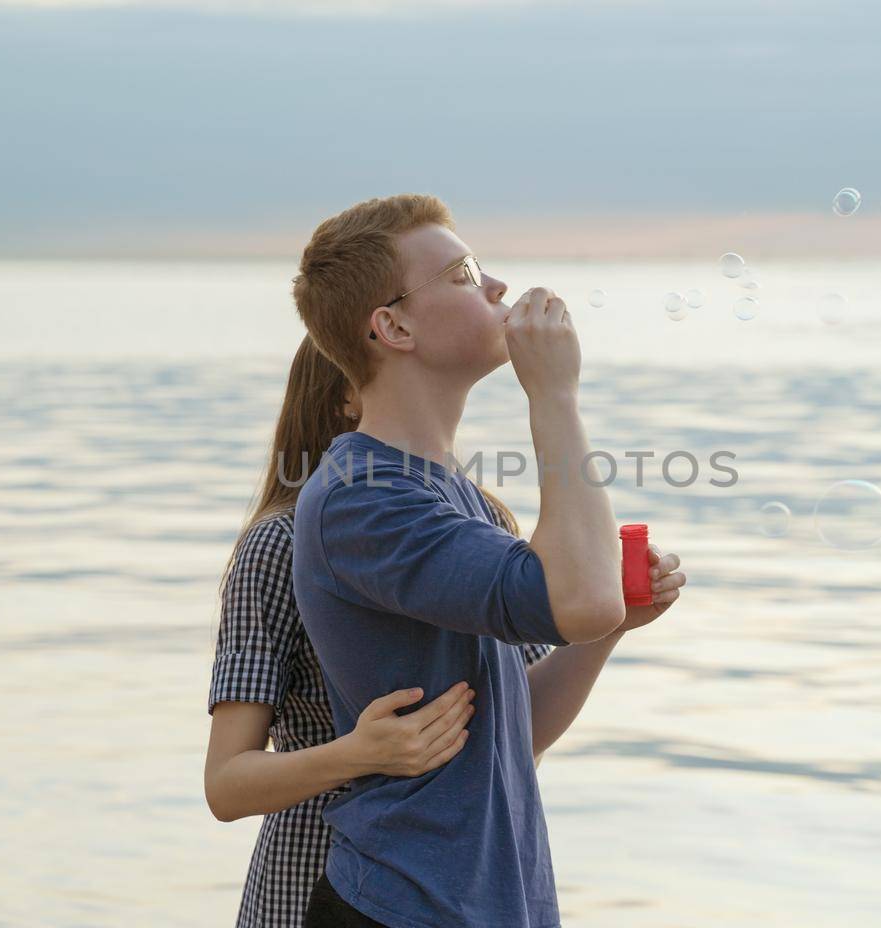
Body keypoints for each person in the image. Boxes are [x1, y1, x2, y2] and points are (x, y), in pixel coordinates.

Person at [290, 194, 686, 928]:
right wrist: (556, 394)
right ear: (393, 326)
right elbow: (580, 601)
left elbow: (514, 731)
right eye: (466, 272)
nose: (497, 287)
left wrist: (613, 625)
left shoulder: (440, 492)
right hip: (404, 906)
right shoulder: (363, 501)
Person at [203, 335, 556, 928]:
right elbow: (226, 785)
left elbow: (524, 734)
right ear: (346, 394)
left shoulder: (479, 519)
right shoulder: (279, 545)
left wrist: (609, 624)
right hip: (313, 889)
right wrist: (358, 754)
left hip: (462, 892)